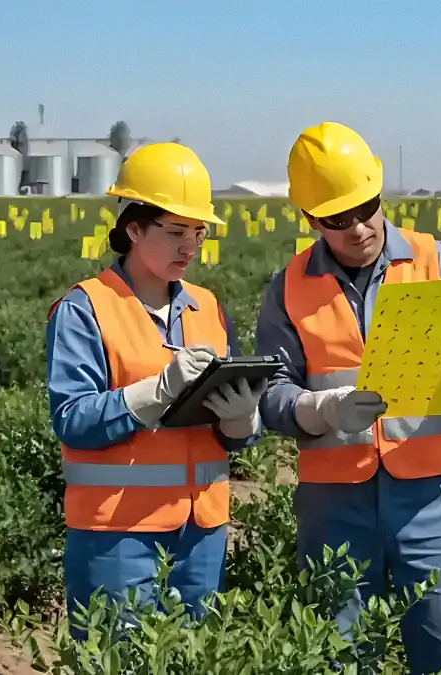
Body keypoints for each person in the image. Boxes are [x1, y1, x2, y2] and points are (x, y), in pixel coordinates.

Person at [254, 121, 441, 675]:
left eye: (365, 208)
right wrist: (317, 410)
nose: (358, 228)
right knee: (339, 662)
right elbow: (270, 394)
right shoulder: (288, 288)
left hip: (432, 499)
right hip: (332, 506)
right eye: (337, 219)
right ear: (310, 219)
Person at [45, 142, 264, 635]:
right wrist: (156, 391)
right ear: (133, 228)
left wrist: (241, 422)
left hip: (201, 531)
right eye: (174, 232)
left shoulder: (207, 306)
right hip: (117, 534)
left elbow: (229, 435)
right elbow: (73, 419)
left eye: (198, 233)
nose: (190, 247)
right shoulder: (85, 309)